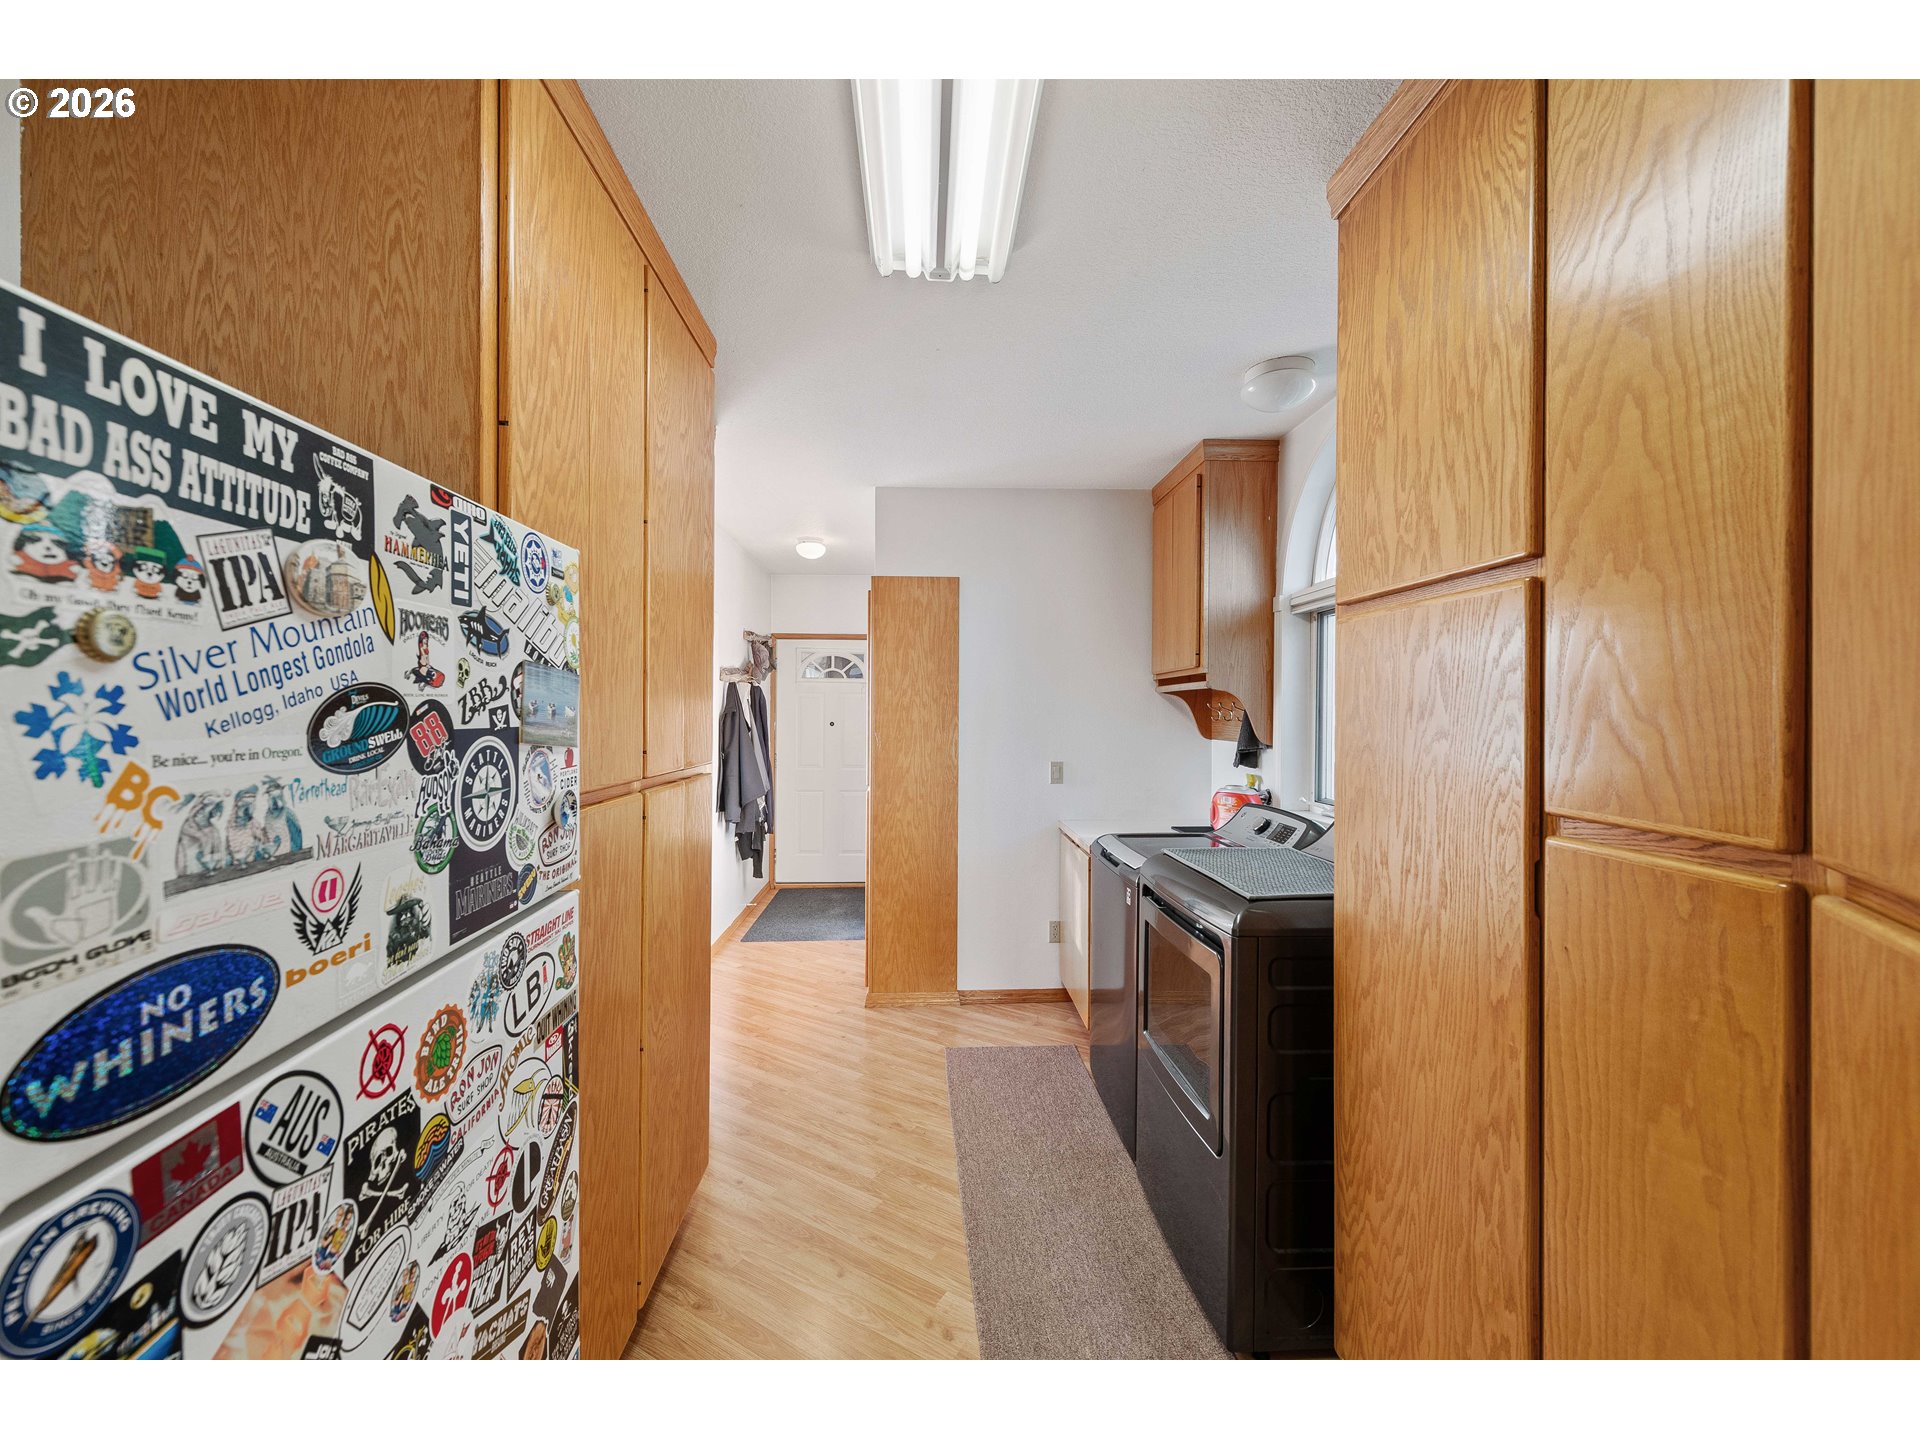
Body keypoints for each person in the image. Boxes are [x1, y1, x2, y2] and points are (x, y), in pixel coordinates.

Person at [12, 523, 78, 582]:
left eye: (56, 542)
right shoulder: (23, 555)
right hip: (28, 574)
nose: (48, 547)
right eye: (36, 540)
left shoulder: (64, 560)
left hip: (60, 578)